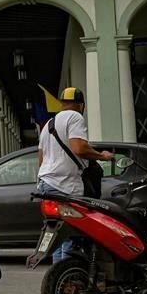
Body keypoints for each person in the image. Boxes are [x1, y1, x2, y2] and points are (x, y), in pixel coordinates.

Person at [36, 87, 114, 262]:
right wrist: (103, 156)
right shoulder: (75, 117)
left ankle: (58, 280)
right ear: (81, 105)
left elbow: (41, 159)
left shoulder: (49, 124)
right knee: (71, 237)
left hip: (46, 184)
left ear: (62, 104)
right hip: (65, 185)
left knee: (56, 237)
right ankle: (69, 281)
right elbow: (79, 148)